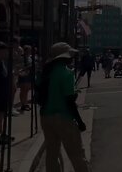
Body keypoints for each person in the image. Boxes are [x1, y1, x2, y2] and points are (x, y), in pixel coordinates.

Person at [36, 42, 90, 172]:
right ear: (64, 57)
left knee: (52, 153)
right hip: (63, 116)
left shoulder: (45, 73)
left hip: (46, 116)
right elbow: (69, 101)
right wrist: (80, 121)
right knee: (76, 153)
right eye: (70, 55)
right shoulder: (66, 73)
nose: (72, 57)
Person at [17, 45, 34, 113]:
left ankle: (25, 103)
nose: (30, 51)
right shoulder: (22, 58)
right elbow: (20, 66)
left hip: (29, 74)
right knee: (23, 90)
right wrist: (26, 67)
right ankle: (23, 104)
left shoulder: (30, 57)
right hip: (23, 74)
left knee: (27, 90)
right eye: (28, 50)